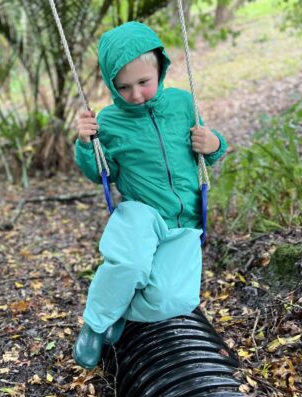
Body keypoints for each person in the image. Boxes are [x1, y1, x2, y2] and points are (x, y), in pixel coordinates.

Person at [73, 21, 227, 369]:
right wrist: (85, 143)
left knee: (174, 300)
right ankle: (95, 324)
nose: (137, 94)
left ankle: (119, 310)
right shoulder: (109, 122)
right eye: (123, 87)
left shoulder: (182, 103)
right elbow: (99, 172)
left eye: (143, 82)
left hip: (185, 222)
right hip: (141, 212)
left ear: (161, 67)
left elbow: (209, 151)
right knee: (131, 263)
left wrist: (214, 143)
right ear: (112, 85)